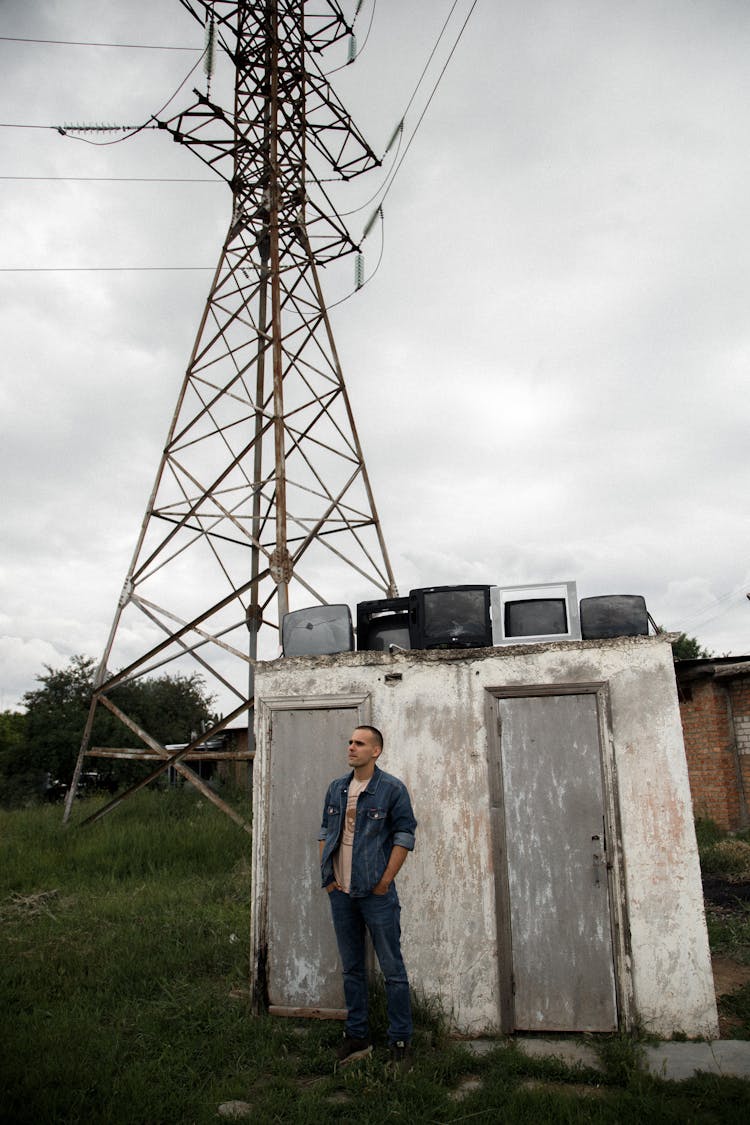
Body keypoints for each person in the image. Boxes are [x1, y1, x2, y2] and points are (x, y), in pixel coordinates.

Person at [318, 725, 417, 1069]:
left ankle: (400, 1041)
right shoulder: (337, 788)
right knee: (352, 969)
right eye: (349, 742)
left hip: (376, 895)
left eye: (359, 743)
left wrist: (384, 881)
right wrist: (328, 877)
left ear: (375, 751)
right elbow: (324, 832)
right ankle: (357, 1036)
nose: (351, 747)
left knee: (393, 969)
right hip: (341, 893)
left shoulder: (391, 789)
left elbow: (405, 835)